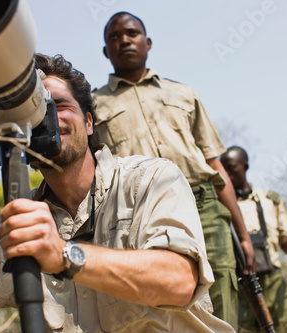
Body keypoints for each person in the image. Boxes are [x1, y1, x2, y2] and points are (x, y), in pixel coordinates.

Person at [0, 53, 235, 332]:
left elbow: (180, 280)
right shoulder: (28, 217)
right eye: (35, 111)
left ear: (89, 122)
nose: (47, 116)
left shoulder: (150, 178)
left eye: (58, 105)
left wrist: (65, 255)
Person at [91, 11, 255, 329]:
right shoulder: (93, 107)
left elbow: (213, 164)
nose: (123, 40)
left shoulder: (183, 94)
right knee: (163, 301)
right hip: (141, 211)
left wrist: (244, 235)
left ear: (148, 42)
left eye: (132, 33)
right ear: (105, 51)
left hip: (204, 204)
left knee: (221, 285)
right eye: (114, 36)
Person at [220, 146, 287, 333]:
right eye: (223, 168)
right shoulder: (219, 205)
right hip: (240, 282)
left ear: (245, 166)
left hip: (271, 280)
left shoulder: (270, 199)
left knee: (285, 328)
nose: (226, 174)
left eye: (231, 168)